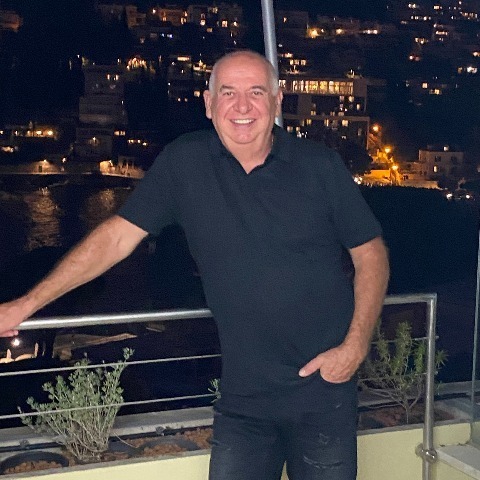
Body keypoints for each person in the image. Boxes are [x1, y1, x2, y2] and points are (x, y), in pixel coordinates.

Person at [0, 50, 389, 479]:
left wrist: (355, 346)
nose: (242, 106)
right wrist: (25, 305)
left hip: (324, 392)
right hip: (243, 400)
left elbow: (371, 254)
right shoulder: (185, 163)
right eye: (229, 93)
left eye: (256, 92)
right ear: (208, 103)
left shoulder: (319, 166)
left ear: (277, 101)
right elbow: (115, 238)